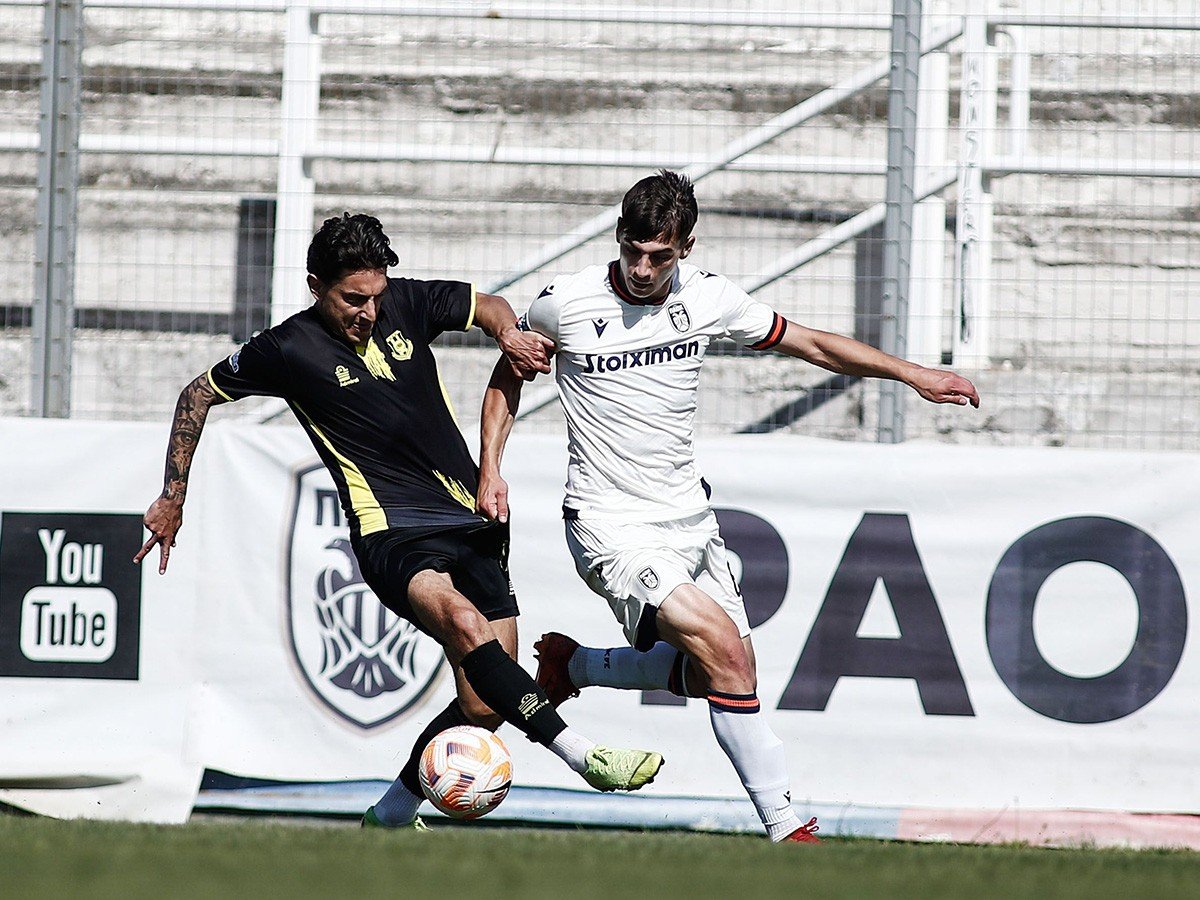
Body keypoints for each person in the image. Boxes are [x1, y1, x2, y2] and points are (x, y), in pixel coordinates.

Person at [478, 171, 980, 844]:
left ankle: (575, 666)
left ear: (685, 247)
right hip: (610, 525)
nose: (643, 268)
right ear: (619, 237)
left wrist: (914, 374)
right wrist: (490, 470)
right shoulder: (564, 304)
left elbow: (812, 343)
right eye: (633, 250)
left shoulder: (708, 298)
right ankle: (788, 825)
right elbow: (506, 378)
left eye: (660, 255)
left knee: (713, 670)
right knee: (724, 653)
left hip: (690, 520)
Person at [134, 212, 664, 830]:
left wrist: (509, 335)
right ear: (315, 285)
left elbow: (486, 304)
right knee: (466, 625)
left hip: (474, 519)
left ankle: (387, 815)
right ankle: (583, 756)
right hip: (392, 532)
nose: (367, 310)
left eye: (376, 296)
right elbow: (197, 393)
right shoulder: (286, 349)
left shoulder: (403, 302)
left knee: (485, 705)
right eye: (352, 299)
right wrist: (173, 495)